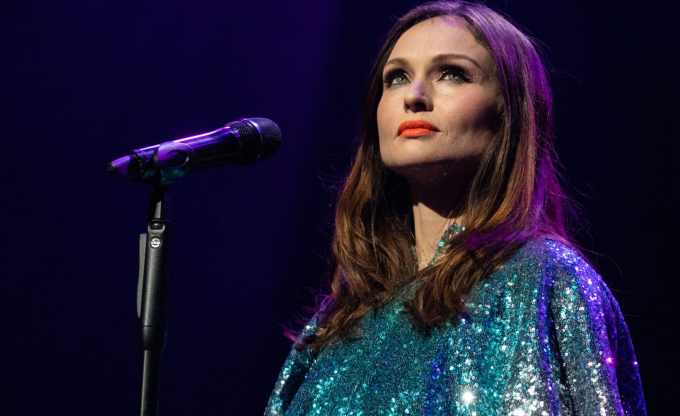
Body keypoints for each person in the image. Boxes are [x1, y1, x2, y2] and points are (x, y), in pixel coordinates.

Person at [264, 1, 646, 415]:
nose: (414, 97)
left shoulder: (548, 279)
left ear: (510, 112)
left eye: (452, 73)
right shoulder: (340, 322)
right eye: (396, 78)